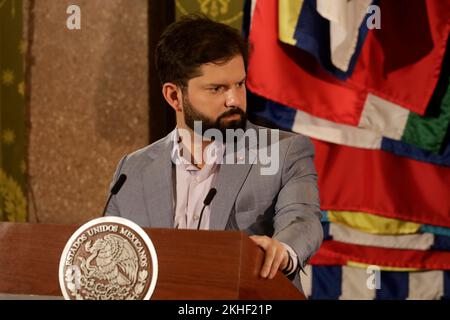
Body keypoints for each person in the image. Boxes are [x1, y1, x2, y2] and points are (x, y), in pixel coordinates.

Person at [105, 14, 323, 294]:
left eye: (240, 84)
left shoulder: (284, 152)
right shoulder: (131, 170)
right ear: (174, 96)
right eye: (217, 89)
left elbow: (303, 219)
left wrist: (282, 249)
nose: (234, 100)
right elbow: (110, 249)